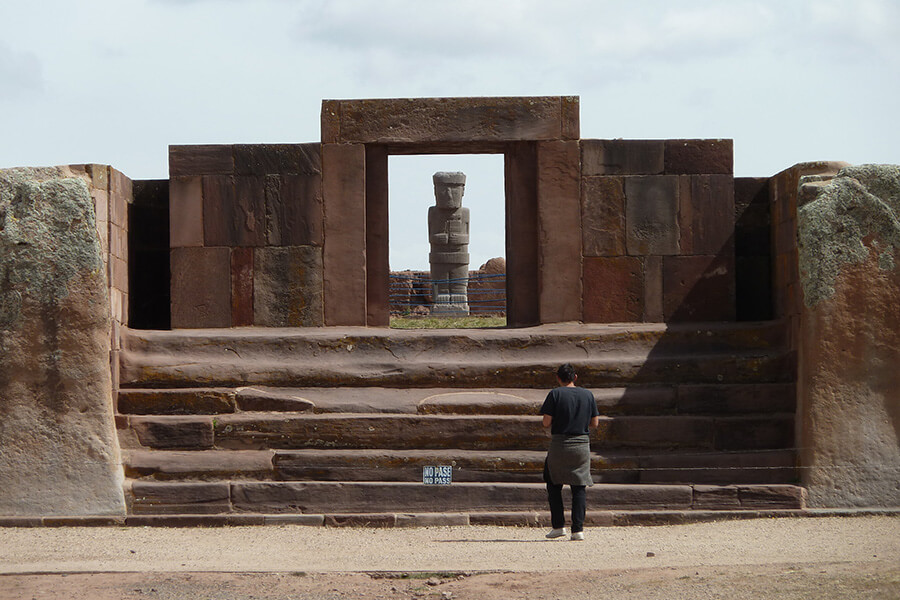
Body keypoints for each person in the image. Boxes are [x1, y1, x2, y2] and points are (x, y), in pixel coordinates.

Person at [539, 363, 600, 541]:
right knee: (579, 486)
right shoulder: (588, 395)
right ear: (575, 377)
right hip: (581, 444)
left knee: (553, 483)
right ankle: (578, 529)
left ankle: (558, 526)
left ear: (558, 378)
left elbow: (545, 422)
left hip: (560, 444)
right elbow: (595, 423)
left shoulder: (555, 394)